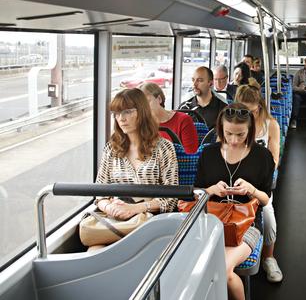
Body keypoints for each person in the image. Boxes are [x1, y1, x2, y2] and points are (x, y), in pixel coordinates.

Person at [194, 103, 274, 300]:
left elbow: (265, 199)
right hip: (211, 220)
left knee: (223, 269)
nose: (234, 140)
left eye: (240, 134)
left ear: (250, 131)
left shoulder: (262, 156)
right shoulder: (208, 153)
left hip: (247, 223)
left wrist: (252, 190)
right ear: (221, 129)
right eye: (229, 133)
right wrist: (210, 190)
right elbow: (196, 193)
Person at [93, 89, 178, 248]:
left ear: (142, 112)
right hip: (116, 220)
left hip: (151, 221)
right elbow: (100, 194)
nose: (121, 118)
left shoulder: (164, 148)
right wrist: (110, 208)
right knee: (95, 252)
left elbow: (171, 198)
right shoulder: (111, 150)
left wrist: (134, 209)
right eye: (117, 114)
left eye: (127, 112)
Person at [234, 85, 284, 282]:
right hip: (234, 179)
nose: (249, 115)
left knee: (269, 218)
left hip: (259, 182)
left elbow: (273, 160)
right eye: (244, 111)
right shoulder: (232, 124)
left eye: (253, 111)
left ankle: (269, 257)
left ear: (260, 107)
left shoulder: (270, 125)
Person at [139, 82, 199, 154]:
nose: (144, 107)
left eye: (147, 102)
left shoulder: (183, 120)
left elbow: (190, 156)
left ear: (159, 99)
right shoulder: (141, 125)